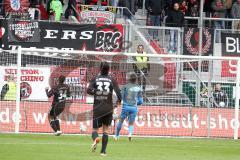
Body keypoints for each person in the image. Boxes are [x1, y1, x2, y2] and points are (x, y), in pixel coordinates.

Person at [87, 62, 121, 156]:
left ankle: (95, 139)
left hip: (98, 107)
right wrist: (119, 101)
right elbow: (118, 92)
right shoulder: (112, 79)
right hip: (108, 108)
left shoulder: (95, 78)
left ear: (100, 68)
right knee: (106, 130)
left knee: (95, 130)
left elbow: (88, 90)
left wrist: (97, 93)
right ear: (108, 69)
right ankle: (103, 152)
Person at [114, 72, 143, 141]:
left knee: (121, 120)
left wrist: (116, 104)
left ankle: (117, 135)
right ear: (136, 79)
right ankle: (130, 134)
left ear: (129, 79)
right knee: (131, 122)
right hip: (134, 107)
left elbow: (120, 97)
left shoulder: (125, 87)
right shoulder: (139, 87)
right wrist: (136, 103)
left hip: (126, 107)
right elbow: (141, 101)